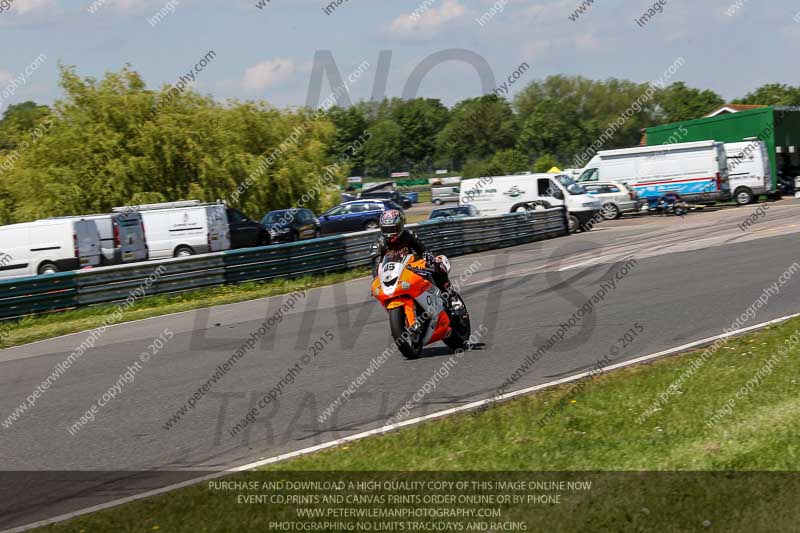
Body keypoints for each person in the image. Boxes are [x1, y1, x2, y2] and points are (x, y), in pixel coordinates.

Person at [370, 209, 463, 317]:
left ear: (400, 226)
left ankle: (452, 297)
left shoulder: (408, 235)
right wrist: (376, 279)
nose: (390, 234)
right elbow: (376, 264)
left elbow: (422, 250)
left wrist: (428, 256)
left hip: (411, 265)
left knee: (437, 266)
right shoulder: (379, 242)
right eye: (386, 229)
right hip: (392, 272)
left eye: (392, 229)